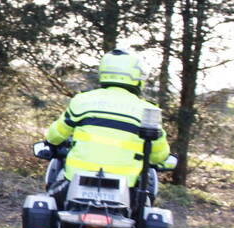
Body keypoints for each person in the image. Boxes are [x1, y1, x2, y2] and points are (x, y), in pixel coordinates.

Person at [44, 48, 171, 202]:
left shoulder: (82, 101)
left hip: (76, 180)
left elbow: (54, 136)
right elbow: (159, 155)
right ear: (137, 77)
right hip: (127, 188)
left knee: (51, 202)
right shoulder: (148, 112)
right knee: (143, 211)